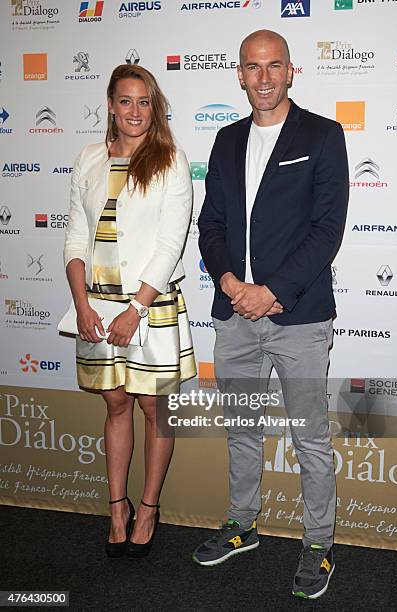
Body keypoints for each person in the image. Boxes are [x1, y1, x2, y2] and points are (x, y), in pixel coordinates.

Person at [194, 30, 349, 600]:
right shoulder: (226, 139)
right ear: (239, 74)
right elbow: (211, 225)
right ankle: (242, 526)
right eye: (252, 68)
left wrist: (273, 290)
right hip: (235, 315)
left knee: (309, 437)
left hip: (299, 317)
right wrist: (233, 283)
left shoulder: (323, 135)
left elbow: (327, 229)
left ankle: (319, 545)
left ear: (291, 71)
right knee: (241, 431)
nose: (263, 77)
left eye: (274, 66)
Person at [64, 64, 196, 558]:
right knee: (116, 404)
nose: (135, 111)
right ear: (111, 105)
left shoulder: (170, 160)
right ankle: (115, 507)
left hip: (150, 305)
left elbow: (169, 244)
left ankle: (148, 508)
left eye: (144, 102)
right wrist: (80, 303)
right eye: (125, 101)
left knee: (152, 408)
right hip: (97, 305)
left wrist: (135, 310)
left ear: (154, 106)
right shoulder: (89, 158)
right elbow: (75, 236)